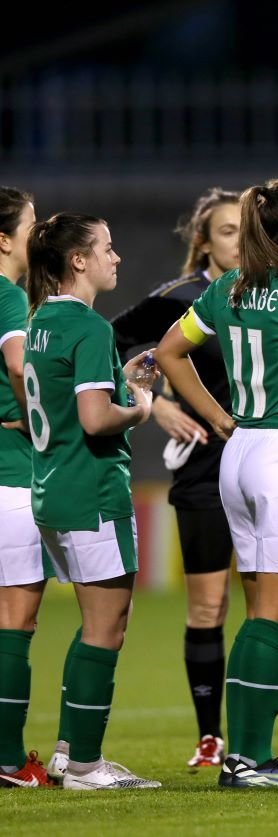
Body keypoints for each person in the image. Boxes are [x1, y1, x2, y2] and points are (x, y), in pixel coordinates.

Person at [107, 187, 278, 769]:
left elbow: (165, 351)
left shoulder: (246, 292)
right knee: (223, 606)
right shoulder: (197, 296)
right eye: (223, 231)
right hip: (221, 461)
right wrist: (164, 404)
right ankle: (224, 741)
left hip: (243, 453)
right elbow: (114, 343)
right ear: (203, 241)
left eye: (239, 229)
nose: (235, 239)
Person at [156, 177, 278, 788]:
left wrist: (214, 416)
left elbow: (167, 352)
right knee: (276, 619)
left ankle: (246, 753)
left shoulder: (230, 290)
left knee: (261, 613)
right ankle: (246, 759)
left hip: (239, 456)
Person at [22, 212, 162, 789]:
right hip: (92, 491)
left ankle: (66, 751)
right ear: (77, 260)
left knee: (93, 624)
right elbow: (94, 416)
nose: (117, 257)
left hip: (53, 489)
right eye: (107, 247)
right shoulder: (89, 327)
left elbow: (66, 398)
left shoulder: (40, 323)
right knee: (108, 626)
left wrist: (115, 376)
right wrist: (142, 407)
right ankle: (84, 764)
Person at [0, 186, 55, 788]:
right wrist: (40, 422)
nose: (37, 236)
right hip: (11, 475)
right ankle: (10, 761)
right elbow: (19, 364)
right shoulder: (8, 296)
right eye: (31, 225)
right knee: (16, 620)